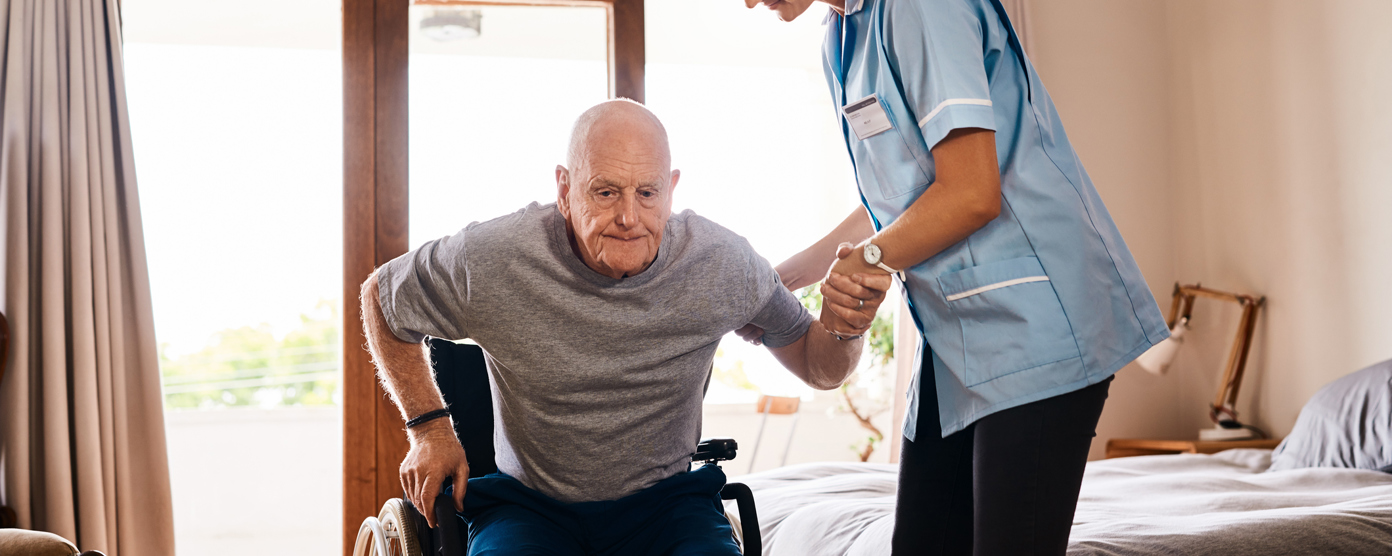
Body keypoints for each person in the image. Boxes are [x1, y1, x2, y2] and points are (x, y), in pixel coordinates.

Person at [358, 99, 893, 555]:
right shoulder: (493, 258)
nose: (630, 218)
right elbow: (380, 298)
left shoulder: (722, 263)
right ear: (565, 189)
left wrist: (845, 328)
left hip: (667, 506)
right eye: (606, 191)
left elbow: (820, 368)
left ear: (672, 188)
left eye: (648, 193)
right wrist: (428, 428)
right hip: (530, 507)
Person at [739, 0, 1171, 554]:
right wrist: (776, 282)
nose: (748, 2)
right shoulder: (841, 38)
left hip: (1037, 327)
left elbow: (970, 193)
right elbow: (895, 202)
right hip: (955, 339)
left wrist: (869, 260)